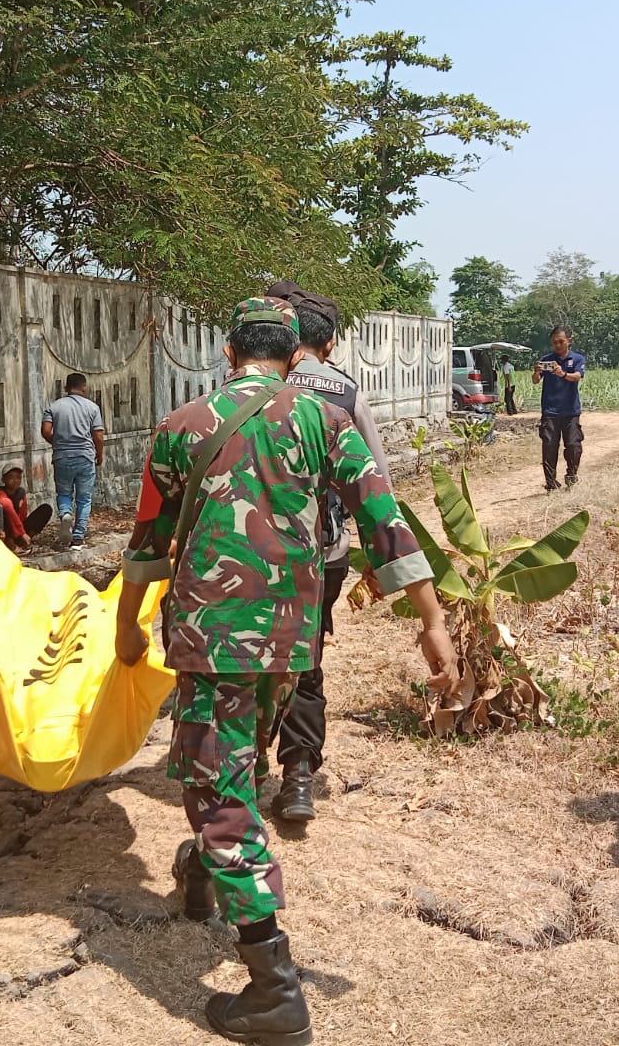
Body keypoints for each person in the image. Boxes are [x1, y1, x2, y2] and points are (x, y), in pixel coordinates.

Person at [113, 296, 457, 1045]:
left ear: (229, 352)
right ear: (296, 352)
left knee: (219, 783)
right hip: (291, 638)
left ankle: (273, 989)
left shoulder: (182, 426)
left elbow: (148, 540)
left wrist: (126, 628)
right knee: (233, 765)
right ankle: (202, 871)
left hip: (211, 635)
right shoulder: (324, 420)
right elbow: (383, 519)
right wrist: (432, 621)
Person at [264, 280, 391, 825]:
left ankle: (243, 772)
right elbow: (375, 482)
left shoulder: (249, 389)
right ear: (330, 342)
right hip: (325, 553)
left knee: (254, 661)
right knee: (306, 655)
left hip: (251, 555)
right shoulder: (346, 394)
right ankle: (297, 777)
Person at [40, 373, 104, 549]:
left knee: (64, 493)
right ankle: (78, 536)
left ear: (66, 388)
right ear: (84, 387)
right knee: (84, 498)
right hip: (85, 457)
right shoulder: (92, 408)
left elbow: (45, 431)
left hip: (62, 457)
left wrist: (58, 443)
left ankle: (66, 513)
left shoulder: (54, 407)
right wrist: (99, 455)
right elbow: (98, 435)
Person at [532, 327, 586, 490]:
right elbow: (535, 381)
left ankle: (571, 474)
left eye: (561, 341)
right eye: (554, 342)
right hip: (550, 411)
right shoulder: (546, 359)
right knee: (549, 446)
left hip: (570, 411)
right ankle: (550, 482)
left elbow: (577, 376)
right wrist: (536, 372)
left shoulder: (577, 358)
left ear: (569, 340)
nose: (558, 345)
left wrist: (562, 373)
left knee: (573, 445)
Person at [0, 466, 54, 551]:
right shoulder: (0, 493)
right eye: (11, 477)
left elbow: (23, 514)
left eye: (18, 477)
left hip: (18, 528)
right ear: (3, 480)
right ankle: (12, 546)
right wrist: (22, 533)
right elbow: (8, 508)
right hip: (5, 530)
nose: (15, 481)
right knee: (7, 514)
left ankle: (25, 541)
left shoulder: (21, 493)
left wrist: (23, 532)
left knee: (45, 509)